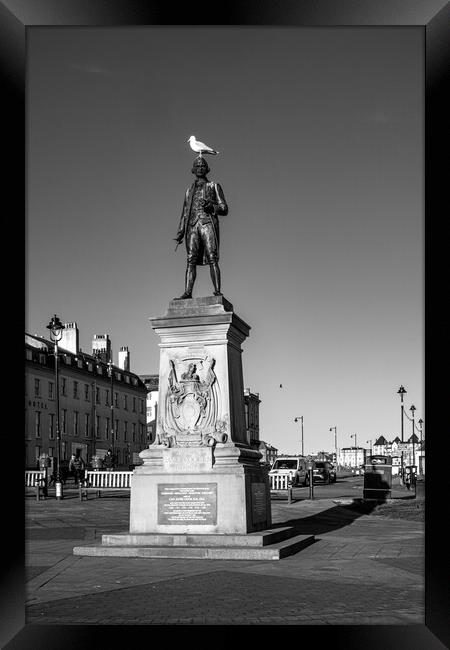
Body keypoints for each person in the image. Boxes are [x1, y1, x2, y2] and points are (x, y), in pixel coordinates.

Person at [174, 156, 228, 299]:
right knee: (190, 259)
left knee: (212, 257)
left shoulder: (214, 186)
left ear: (207, 169)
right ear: (193, 170)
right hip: (192, 226)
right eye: (197, 166)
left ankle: (217, 292)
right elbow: (185, 213)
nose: (200, 168)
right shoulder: (188, 191)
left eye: (202, 166)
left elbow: (224, 208)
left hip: (207, 224)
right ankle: (187, 292)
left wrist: (212, 207)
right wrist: (180, 231)